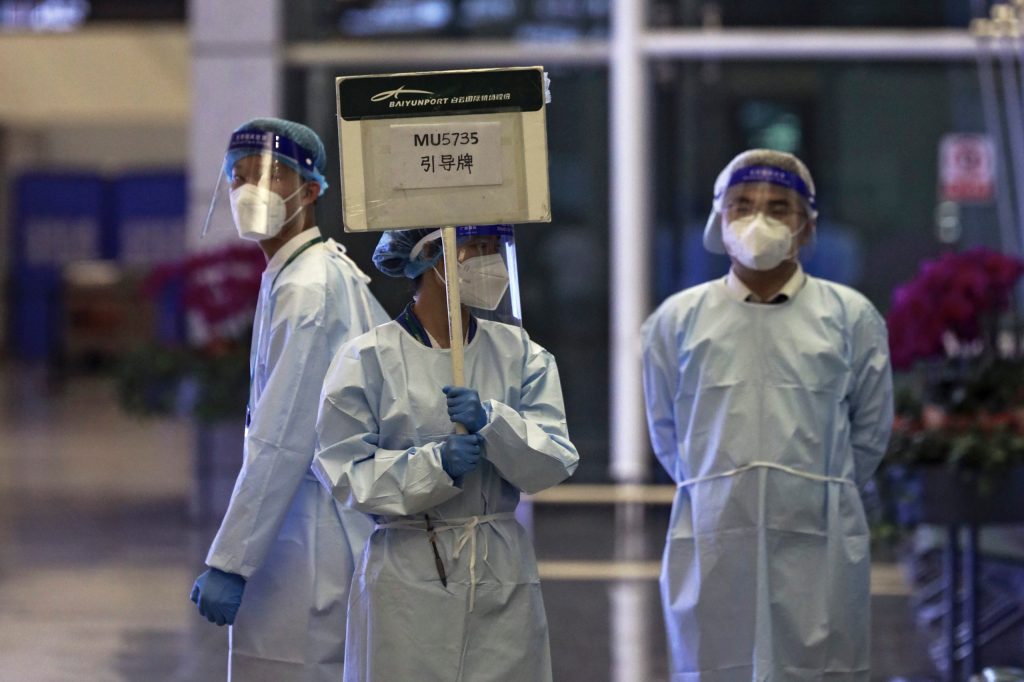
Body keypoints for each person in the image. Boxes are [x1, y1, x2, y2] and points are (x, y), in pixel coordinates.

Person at [641, 149, 893, 681]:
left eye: (780, 208)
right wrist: (715, 485)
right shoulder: (677, 321)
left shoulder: (849, 317)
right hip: (713, 533)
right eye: (743, 206)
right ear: (720, 221)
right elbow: (667, 433)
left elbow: (870, 433)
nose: (760, 220)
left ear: (805, 227)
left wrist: (814, 489)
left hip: (819, 536)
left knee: (820, 666)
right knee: (716, 663)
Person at [313, 226, 579, 682]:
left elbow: (553, 460)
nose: (488, 260)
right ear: (425, 257)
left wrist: (494, 423)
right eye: (474, 248)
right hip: (408, 572)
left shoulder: (519, 353)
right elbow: (344, 472)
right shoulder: (367, 359)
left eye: (495, 247)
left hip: (499, 571)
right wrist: (432, 467)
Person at [188, 117, 389, 682]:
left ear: (312, 190)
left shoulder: (308, 288)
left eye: (271, 176)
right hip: (306, 524)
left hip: (312, 534)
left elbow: (282, 436)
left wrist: (230, 561)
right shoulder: (302, 271)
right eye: (239, 177)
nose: (250, 191)